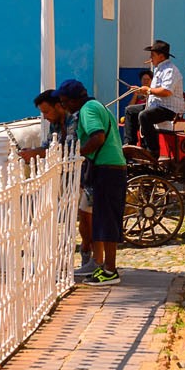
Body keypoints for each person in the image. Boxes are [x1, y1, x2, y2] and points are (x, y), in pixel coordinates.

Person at [22, 89, 96, 276]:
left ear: (59, 106)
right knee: (76, 216)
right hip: (68, 177)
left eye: (47, 111)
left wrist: (37, 153)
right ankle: (79, 255)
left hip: (88, 174)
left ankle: (90, 256)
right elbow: (49, 147)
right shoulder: (55, 125)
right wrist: (33, 152)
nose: (45, 116)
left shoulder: (76, 120)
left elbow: (69, 149)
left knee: (87, 218)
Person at [58, 78, 125, 286]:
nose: (64, 107)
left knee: (107, 220)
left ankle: (110, 271)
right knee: (105, 219)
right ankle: (106, 268)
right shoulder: (96, 106)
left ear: (73, 100)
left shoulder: (87, 110)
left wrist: (76, 154)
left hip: (107, 168)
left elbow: (98, 137)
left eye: (64, 102)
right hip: (111, 167)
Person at [127, 41, 185, 157]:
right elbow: (154, 92)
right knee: (130, 110)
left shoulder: (170, 70)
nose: (150, 58)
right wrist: (141, 90)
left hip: (170, 110)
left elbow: (166, 91)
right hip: (157, 107)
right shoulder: (159, 69)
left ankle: (153, 151)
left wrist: (148, 90)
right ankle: (131, 145)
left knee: (144, 116)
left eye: (152, 55)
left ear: (161, 56)